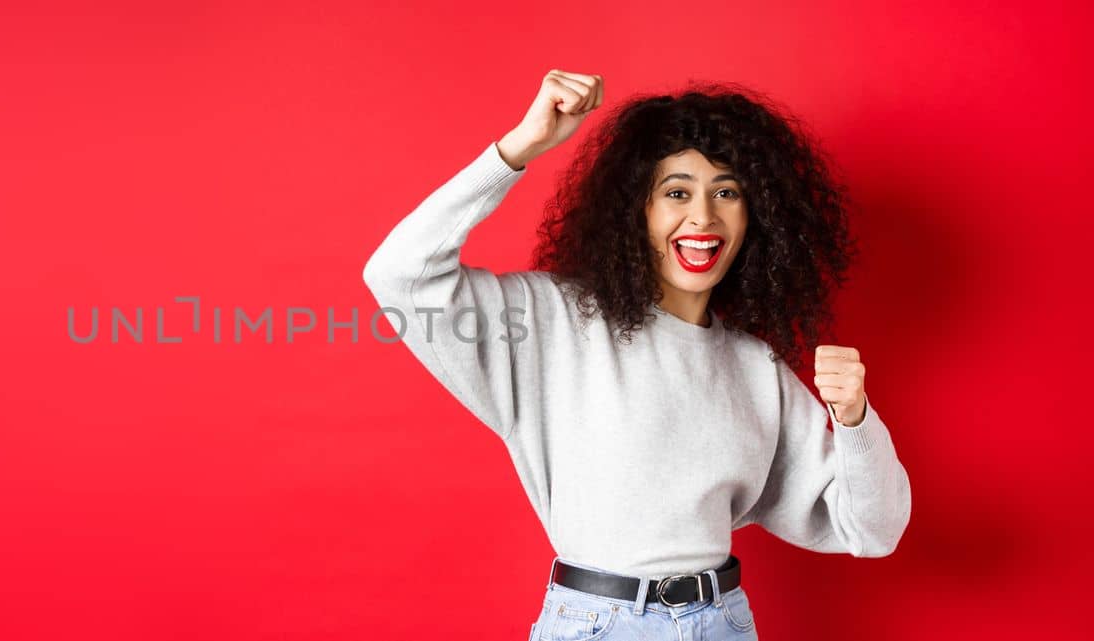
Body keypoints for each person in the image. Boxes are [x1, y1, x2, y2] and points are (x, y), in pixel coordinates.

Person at [360, 70, 912, 640]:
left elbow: (873, 529)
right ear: (636, 211)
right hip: (598, 624)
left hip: (722, 622)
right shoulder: (555, 323)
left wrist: (855, 422)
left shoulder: (755, 368)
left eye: (727, 192)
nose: (702, 217)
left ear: (757, 218)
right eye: (677, 192)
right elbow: (401, 273)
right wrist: (518, 149)